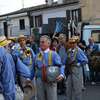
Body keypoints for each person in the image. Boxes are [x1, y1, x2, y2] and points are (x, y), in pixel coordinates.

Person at [35, 35, 64, 100]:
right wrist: (28, 78)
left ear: (48, 43)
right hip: (40, 81)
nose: (40, 44)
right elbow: (34, 67)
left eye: (43, 42)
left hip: (50, 81)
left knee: (52, 98)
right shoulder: (37, 55)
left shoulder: (53, 54)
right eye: (40, 42)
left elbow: (60, 65)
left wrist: (62, 74)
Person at [0, 36, 16, 100]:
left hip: (8, 88)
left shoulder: (8, 55)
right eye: (8, 45)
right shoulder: (2, 53)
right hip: (6, 90)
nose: (9, 46)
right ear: (5, 46)